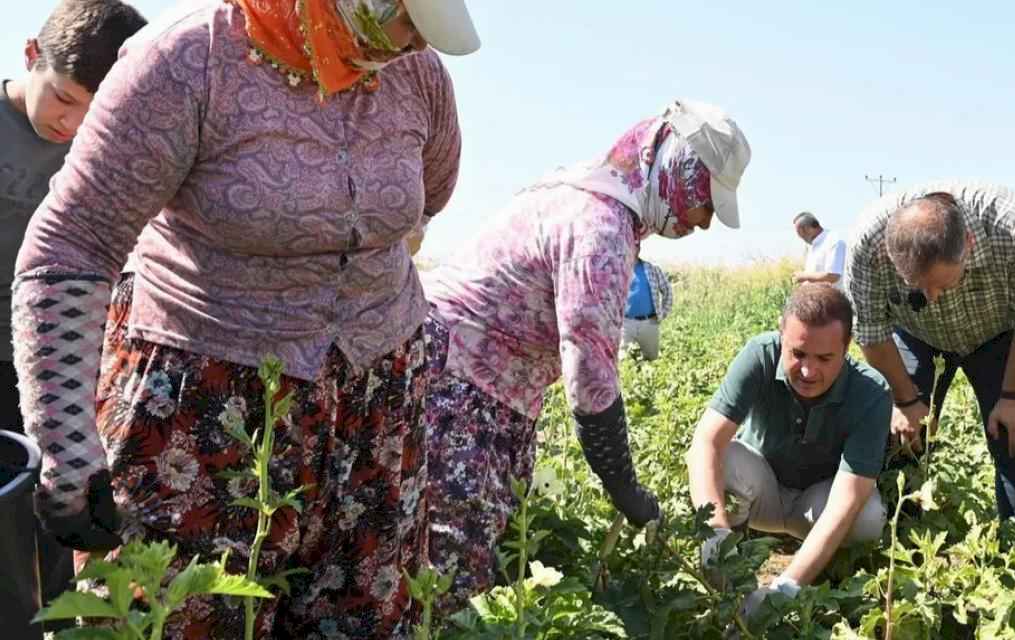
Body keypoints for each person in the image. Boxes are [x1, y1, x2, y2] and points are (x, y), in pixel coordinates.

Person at [11, 1, 476, 636]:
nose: (415, 43)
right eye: (406, 21)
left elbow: (435, 188)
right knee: (184, 614)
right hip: (204, 409)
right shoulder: (188, 61)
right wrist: (66, 442)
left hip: (373, 405)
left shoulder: (417, 75)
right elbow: (72, 243)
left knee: (357, 618)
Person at [418, 98, 751, 612]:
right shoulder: (600, 228)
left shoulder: (583, 193)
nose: (704, 222)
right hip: (457, 391)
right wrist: (626, 487)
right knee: (449, 578)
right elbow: (591, 375)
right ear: (676, 171)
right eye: (705, 200)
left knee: (462, 559)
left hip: (469, 383)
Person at [0, 1, 146, 637]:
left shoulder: (106, 153)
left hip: (52, 377)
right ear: (32, 56)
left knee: (50, 535)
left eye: (94, 108)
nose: (73, 121)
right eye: (63, 97)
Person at [844, 182, 1015, 526]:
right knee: (901, 440)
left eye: (943, 284)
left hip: (1000, 334)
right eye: (918, 286)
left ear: (968, 245)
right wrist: (905, 400)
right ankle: (900, 536)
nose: (932, 298)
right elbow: (871, 331)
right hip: (915, 335)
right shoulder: (867, 244)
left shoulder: (1013, 227)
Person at [687, 283, 889, 619]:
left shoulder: (871, 391)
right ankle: (730, 571)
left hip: (816, 508)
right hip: (762, 491)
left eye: (825, 358)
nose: (809, 371)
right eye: (797, 354)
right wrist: (715, 534)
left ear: (846, 347)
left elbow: (847, 500)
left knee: (868, 515)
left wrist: (786, 587)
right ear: (782, 337)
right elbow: (706, 442)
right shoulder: (760, 354)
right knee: (722, 458)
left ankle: (829, 576)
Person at [621, 256, 673, 360]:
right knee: (624, 362)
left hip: (649, 323)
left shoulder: (652, 268)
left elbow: (667, 291)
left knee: (652, 359)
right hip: (625, 324)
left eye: (637, 245)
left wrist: (662, 314)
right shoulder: (618, 268)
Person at [792, 212, 846, 289]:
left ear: (806, 229)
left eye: (800, 234)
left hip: (833, 299)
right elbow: (814, 276)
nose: (801, 238)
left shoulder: (834, 241)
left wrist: (804, 276)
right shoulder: (813, 246)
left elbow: (833, 276)